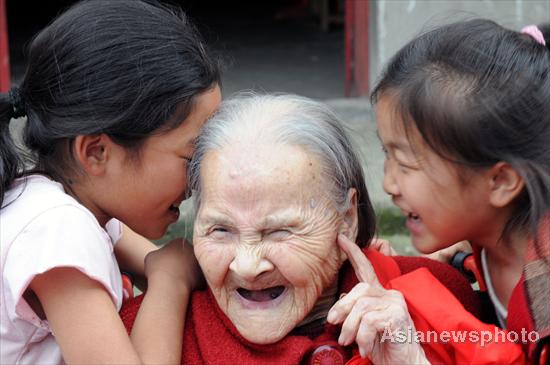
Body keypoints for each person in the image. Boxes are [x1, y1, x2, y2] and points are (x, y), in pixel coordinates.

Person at [120, 93, 523, 364]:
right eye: (220, 230)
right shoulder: (139, 338)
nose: (247, 265)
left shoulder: (433, 300)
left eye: (280, 232)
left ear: (347, 216)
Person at [0, 0, 221, 364]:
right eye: (191, 158)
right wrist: (170, 282)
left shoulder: (79, 208)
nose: (201, 178)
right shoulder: (57, 230)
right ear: (96, 153)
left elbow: (176, 265)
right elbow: (170, 269)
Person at [369, 19, 550, 364]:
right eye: (386, 154)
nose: (388, 184)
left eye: (406, 165)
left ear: (500, 182)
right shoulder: (486, 241)